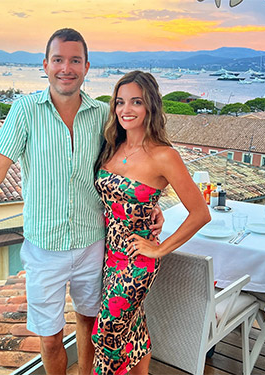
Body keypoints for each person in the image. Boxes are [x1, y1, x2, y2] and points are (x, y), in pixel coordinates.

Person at [0, 29, 163, 375]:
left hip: (93, 244)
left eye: (75, 60)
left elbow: (134, 160)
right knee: (49, 339)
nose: (67, 68)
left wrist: (152, 206)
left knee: (91, 326)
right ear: (45, 65)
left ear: (86, 66)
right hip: (44, 249)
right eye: (59, 60)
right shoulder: (25, 111)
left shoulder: (102, 115)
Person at [91, 71, 211, 375]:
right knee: (133, 325)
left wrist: (159, 250)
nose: (125, 110)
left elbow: (200, 213)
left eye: (136, 102)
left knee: (106, 332)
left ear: (150, 107)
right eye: (120, 102)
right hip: (108, 256)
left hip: (137, 260)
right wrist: (152, 206)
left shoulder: (164, 156)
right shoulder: (111, 145)